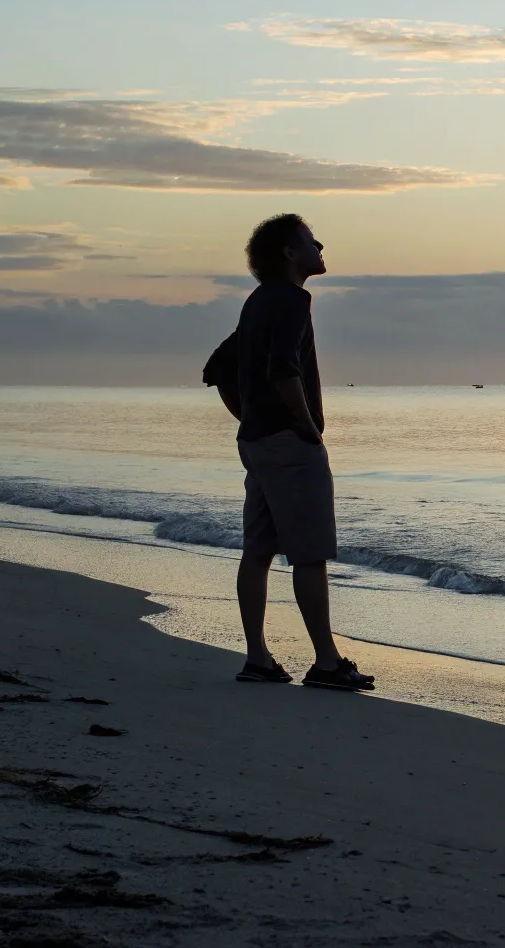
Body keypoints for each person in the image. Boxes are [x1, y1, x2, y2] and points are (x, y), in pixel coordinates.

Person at [203, 214, 374, 691]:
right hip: (287, 444)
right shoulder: (291, 299)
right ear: (288, 252)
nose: (320, 246)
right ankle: (326, 663)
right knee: (310, 553)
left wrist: (249, 417)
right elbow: (283, 369)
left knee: (258, 550)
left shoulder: (258, 301)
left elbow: (218, 369)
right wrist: (307, 426)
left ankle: (258, 658)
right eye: (310, 240)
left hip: (257, 443)